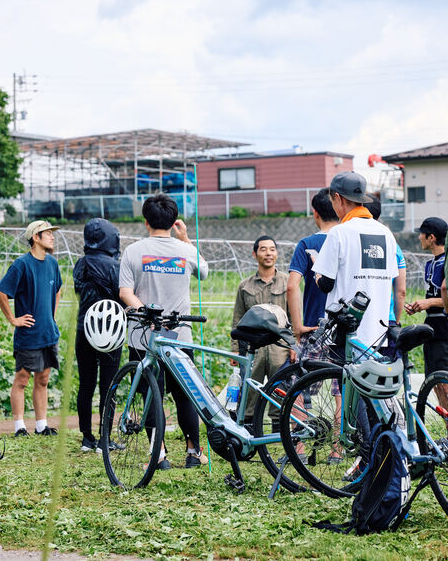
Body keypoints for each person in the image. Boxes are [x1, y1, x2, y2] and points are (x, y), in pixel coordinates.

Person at [119, 194, 209, 469]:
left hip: (143, 336)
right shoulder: (185, 252)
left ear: (146, 221)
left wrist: (147, 313)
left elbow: (125, 292)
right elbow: (203, 272)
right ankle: (194, 452)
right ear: (173, 221)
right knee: (186, 395)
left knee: (150, 395)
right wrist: (185, 240)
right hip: (180, 336)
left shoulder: (133, 251)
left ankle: (158, 455)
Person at [312, 172, 400, 351]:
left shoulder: (339, 233)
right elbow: (390, 279)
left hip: (346, 334)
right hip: (378, 333)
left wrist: (317, 275)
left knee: (346, 378)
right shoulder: (386, 234)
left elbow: (326, 285)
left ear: (337, 198)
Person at [0, 220, 62, 437]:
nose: (52, 236)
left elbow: (58, 289)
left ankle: (41, 425)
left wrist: (51, 316)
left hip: (48, 333)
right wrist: (13, 320)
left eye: (52, 233)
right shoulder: (21, 264)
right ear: (36, 237)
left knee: (43, 379)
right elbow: (0, 293)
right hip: (28, 334)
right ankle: (19, 426)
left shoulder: (52, 263)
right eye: (47, 233)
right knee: (22, 379)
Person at [404, 217, 448, 423]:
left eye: (422, 234)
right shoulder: (430, 264)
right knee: (436, 384)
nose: (419, 237)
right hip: (432, 328)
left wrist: (429, 303)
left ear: (431, 237)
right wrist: (420, 306)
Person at [231, 235, 294, 424]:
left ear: (277, 253)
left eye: (272, 249)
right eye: (263, 249)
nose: (268, 253)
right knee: (250, 392)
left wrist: (294, 346)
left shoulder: (288, 282)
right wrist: (235, 349)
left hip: (280, 347)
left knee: (280, 390)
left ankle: (279, 433)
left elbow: (295, 316)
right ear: (255, 253)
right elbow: (237, 318)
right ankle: (248, 432)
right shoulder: (245, 286)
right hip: (253, 348)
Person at [73, 218, 123, 452]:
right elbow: (121, 294)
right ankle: (105, 439)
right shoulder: (115, 266)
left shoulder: (80, 264)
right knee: (108, 385)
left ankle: (86, 438)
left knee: (86, 384)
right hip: (110, 330)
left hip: (85, 329)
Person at [288, 189, 338, 361]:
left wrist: (297, 329)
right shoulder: (348, 240)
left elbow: (292, 286)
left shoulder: (307, 244)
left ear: (315, 213)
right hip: (344, 328)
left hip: (314, 328)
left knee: (307, 383)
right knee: (343, 384)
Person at [366, 194, 406, 327]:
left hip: (358, 318)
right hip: (386, 319)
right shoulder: (394, 246)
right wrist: (396, 320)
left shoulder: (349, 239)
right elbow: (401, 291)